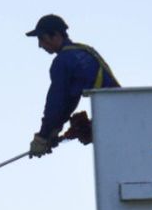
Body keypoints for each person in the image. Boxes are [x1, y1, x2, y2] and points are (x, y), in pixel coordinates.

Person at [25, 14, 120, 157]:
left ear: (55, 35)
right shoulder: (84, 50)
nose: (40, 45)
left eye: (41, 39)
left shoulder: (63, 61)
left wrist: (43, 136)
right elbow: (69, 101)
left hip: (112, 116)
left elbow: (57, 102)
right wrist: (55, 130)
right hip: (121, 111)